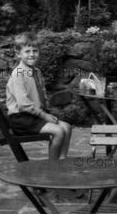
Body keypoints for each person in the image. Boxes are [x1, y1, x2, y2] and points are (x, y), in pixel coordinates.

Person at [6, 31, 72, 160]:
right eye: (27, 51)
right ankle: (52, 168)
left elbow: (42, 93)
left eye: (35, 51)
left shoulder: (36, 72)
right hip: (22, 118)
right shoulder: (18, 74)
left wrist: (47, 111)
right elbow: (24, 105)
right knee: (58, 131)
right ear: (18, 54)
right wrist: (45, 115)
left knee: (67, 127)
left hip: (34, 115)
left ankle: (63, 162)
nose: (32, 54)